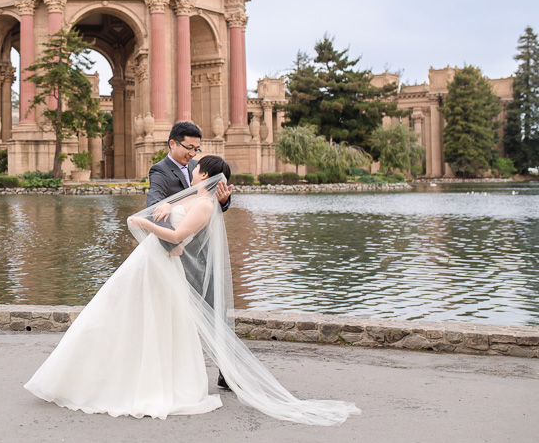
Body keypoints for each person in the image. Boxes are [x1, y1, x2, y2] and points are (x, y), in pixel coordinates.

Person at [24, 155, 360, 424]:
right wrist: (169, 209)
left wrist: (145, 224)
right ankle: (98, 377)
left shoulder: (204, 205)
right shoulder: (195, 198)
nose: (193, 168)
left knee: (126, 319)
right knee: (119, 318)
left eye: (198, 167)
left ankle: (107, 381)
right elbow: (180, 232)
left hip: (157, 263)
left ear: (206, 176)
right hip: (153, 264)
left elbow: (176, 236)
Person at [148, 121, 231, 387]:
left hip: (204, 254)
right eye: (189, 147)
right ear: (172, 143)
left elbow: (211, 204)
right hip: (178, 256)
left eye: (197, 148)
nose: (193, 153)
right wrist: (172, 246)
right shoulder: (160, 171)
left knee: (217, 312)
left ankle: (228, 372)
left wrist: (221, 201)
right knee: (175, 316)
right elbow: (154, 207)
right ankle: (171, 372)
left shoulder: (201, 169)